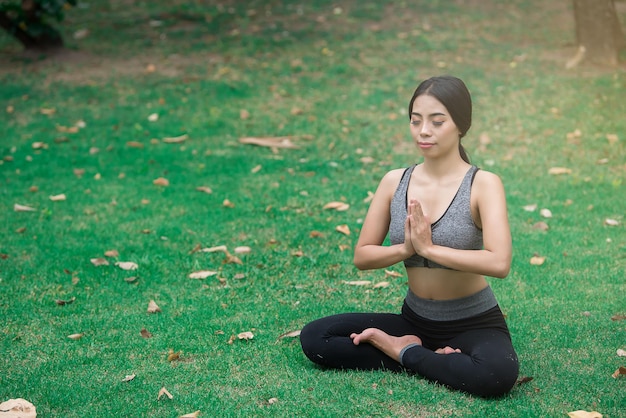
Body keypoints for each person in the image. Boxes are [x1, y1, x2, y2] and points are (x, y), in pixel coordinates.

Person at [299, 75, 519, 398]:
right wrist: (406, 249)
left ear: (461, 125)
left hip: (474, 323)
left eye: (437, 121)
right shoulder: (394, 182)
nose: (424, 131)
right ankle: (426, 356)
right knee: (316, 338)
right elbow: (362, 255)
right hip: (415, 321)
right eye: (416, 121)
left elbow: (499, 262)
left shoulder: (483, 185)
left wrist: (430, 248)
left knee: (497, 373)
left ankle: (403, 353)